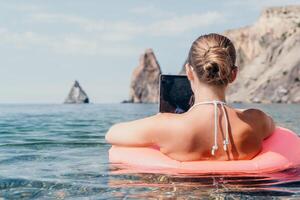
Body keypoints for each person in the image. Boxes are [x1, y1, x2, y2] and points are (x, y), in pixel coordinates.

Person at [105, 33, 275, 161]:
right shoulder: (256, 120)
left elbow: (112, 134)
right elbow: (275, 129)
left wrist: (163, 119)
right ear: (233, 74)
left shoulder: (164, 125)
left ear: (189, 72)